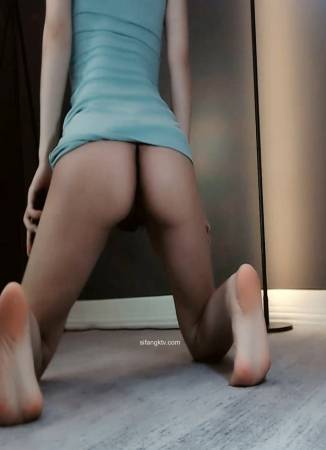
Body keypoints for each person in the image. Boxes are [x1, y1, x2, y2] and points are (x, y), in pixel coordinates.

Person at [0, 0, 270, 426]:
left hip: (95, 133)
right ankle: (237, 296)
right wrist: (182, 158)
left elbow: (56, 34)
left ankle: (16, 349)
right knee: (201, 329)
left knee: (42, 333)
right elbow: (179, 57)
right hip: (162, 140)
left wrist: (44, 159)